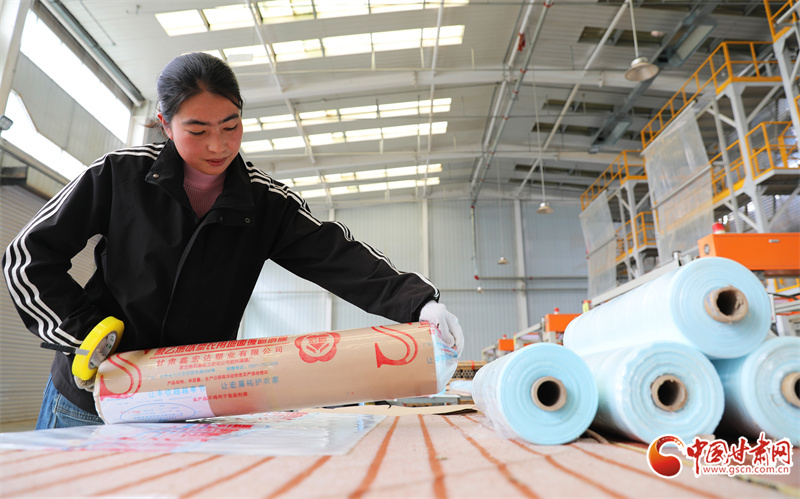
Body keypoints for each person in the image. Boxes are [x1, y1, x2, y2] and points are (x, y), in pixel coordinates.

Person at [2, 52, 463, 429]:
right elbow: (27, 257)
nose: (218, 146)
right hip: (92, 399)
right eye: (197, 131)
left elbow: (338, 256)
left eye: (231, 126)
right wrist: (85, 332)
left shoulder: (263, 203)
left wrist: (420, 304)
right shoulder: (120, 176)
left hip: (187, 403)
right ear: (165, 123)